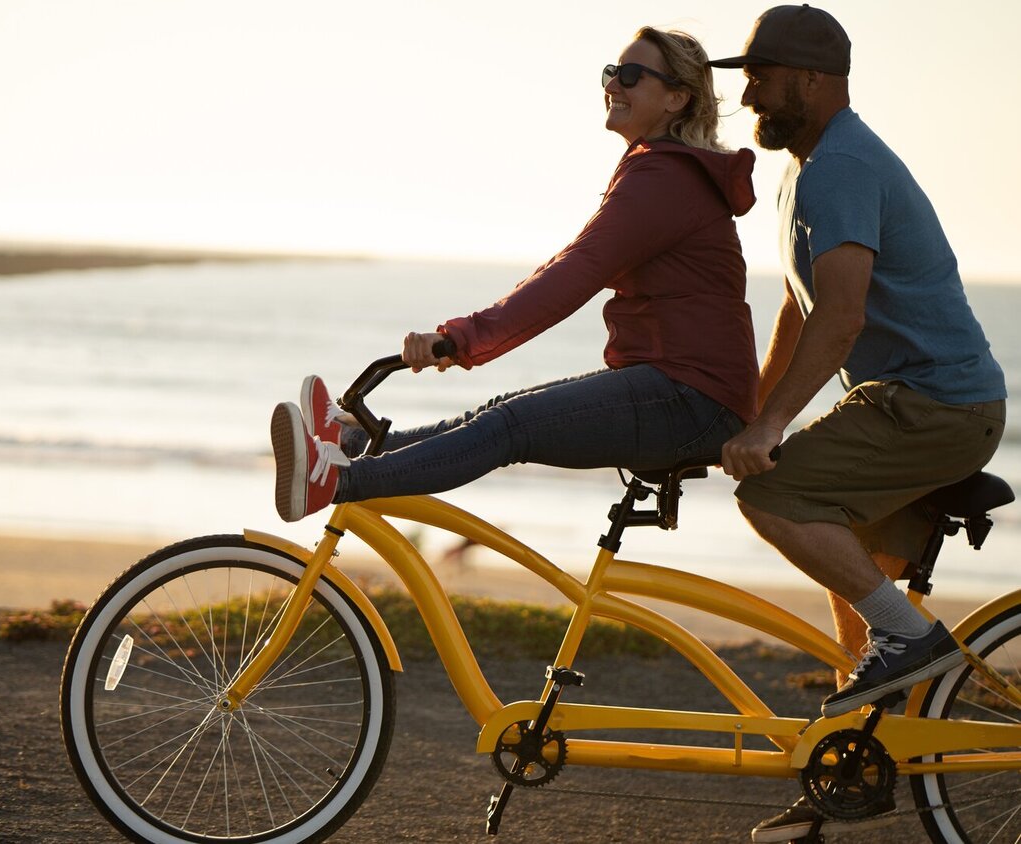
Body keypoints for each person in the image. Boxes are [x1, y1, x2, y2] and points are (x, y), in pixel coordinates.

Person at [710, 5, 1007, 841]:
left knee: (778, 501)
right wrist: (751, 411)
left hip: (932, 405)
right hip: (920, 402)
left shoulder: (840, 165)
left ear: (812, 80)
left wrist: (770, 432)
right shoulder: (810, 168)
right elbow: (800, 311)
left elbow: (840, 319)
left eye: (762, 76)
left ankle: (914, 647)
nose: (749, 91)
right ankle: (852, 765)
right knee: (861, 592)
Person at [270, 26, 760, 524]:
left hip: (692, 401)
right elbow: (572, 261)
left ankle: (338, 480)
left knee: (509, 426)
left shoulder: (666, 178)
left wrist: (460, 339)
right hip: (681, 389)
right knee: (502, 409)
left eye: (631, 76)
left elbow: (575, 273)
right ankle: (353, 442)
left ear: (677, 97)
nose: (613, 85)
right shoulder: (659, 169)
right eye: (611, 72)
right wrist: (463, 340)